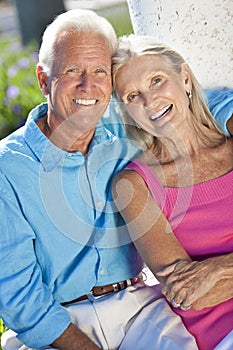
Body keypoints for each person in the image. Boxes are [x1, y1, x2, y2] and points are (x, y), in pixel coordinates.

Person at [0, 9, 232, 350]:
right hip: (60, 323)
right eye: (72, 71)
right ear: (43, 79)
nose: (87, 85)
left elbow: (182, 102)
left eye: (98, 72)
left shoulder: (124, 125)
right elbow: (20, 295)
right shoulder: (8, 167)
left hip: (137, 307)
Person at [111, 34, 233, 350]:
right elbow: (193, 294)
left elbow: (210, 282)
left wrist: (218, 269)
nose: (150, 102)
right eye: (133, 96)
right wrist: (206, 282)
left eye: (157, 80)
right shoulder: (133, 186)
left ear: (186, 79)